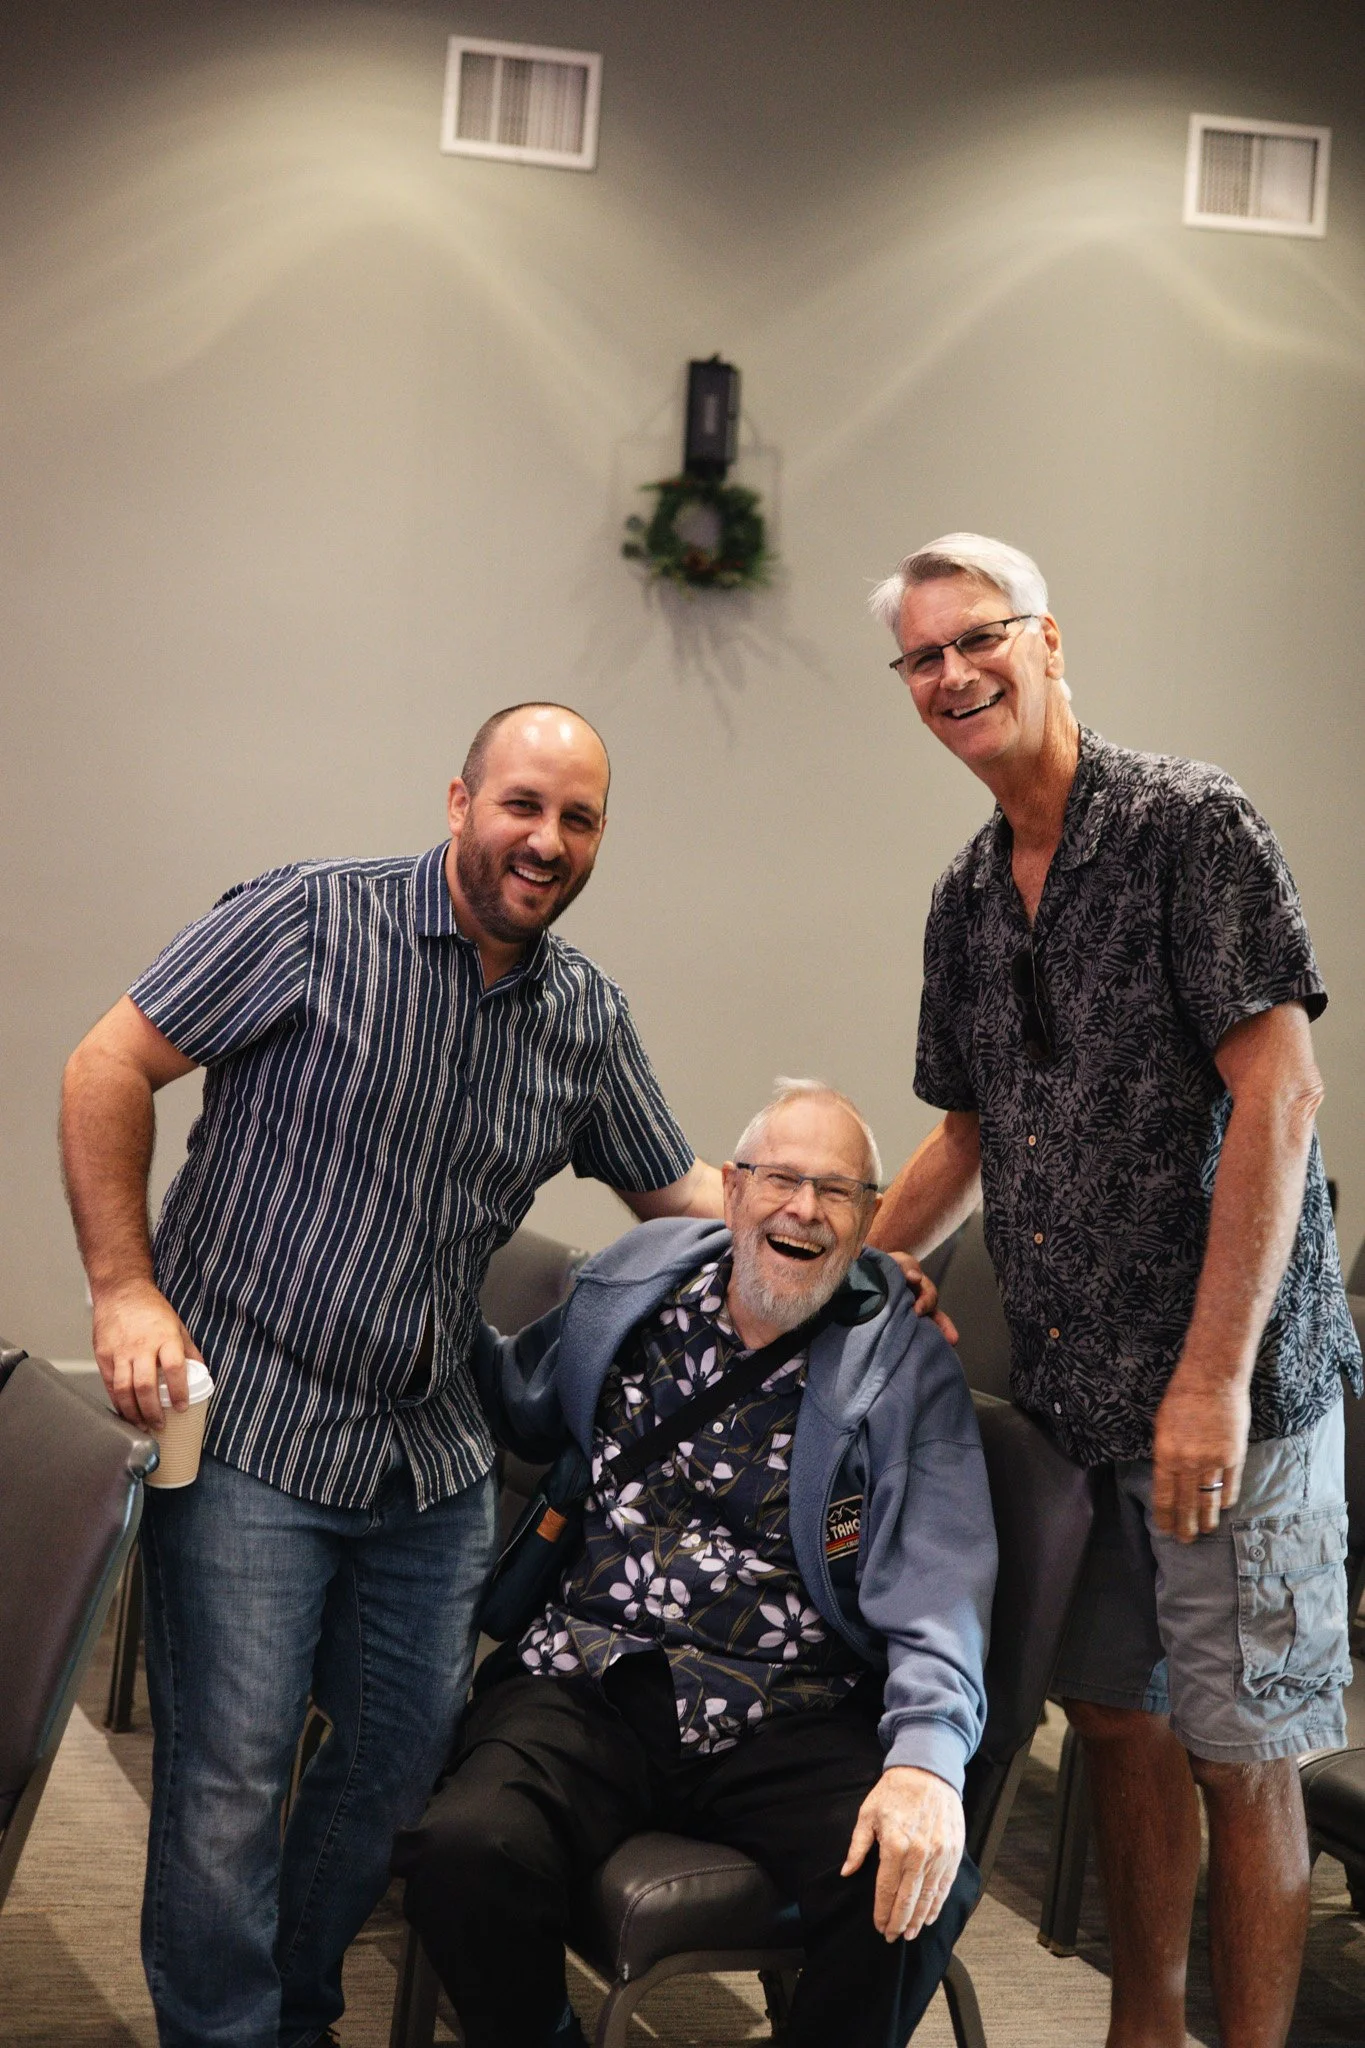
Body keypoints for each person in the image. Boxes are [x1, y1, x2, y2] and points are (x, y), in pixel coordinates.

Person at [59, 703, 731, 2048]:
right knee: (231, 1779)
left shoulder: (584, 1018)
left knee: (396, 1769)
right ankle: (230, 2033)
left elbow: (691, 1201)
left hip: (429, 1459)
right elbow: (109, 1062)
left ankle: (298, 2011)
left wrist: (852, 1253)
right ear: (461, 801)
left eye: (579, 818)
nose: (546, 840)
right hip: (253, 1425)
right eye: (522, 804)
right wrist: (126, 1287)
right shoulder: (312, 918)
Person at [865, 535, 1362, 2048]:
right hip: (1081, 1406)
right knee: (1120, 1727)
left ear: (1049, 640)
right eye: (924, 657)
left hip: (1236, 1404)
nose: (955, 673)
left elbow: (1281, 1093)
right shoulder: (964, 897)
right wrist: (854, 1271)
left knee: (1241, 1754)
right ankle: (1141, 2032)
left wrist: (1211, 1379)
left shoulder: (1186, 825)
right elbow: (967, 1131)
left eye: (979, 638)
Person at [395, 1079, 995, 2048]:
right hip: (588, 1674)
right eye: (781, 1179)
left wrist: (927, 1758)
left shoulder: (903, 1364)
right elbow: (522, 1402)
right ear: (733, 1189)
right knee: (462, 1850)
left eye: (836, 1191)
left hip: (789, 1702)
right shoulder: (638, 1288)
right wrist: (425, 1287)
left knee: (913, 1884)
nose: (804, 1208)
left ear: (870, 1220)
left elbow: (941, 1583)